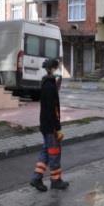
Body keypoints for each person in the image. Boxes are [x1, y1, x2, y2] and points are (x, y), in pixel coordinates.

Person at [30, 58, 69, 192]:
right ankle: (56, 180)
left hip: (45, 125)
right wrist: (57, 128)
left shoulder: (46, 83)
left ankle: (36, 178)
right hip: (50, 126)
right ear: (53, 69)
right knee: (54, 153)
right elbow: (53, 110)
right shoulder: (50, 86)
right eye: (58, 68)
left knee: (46, 152)